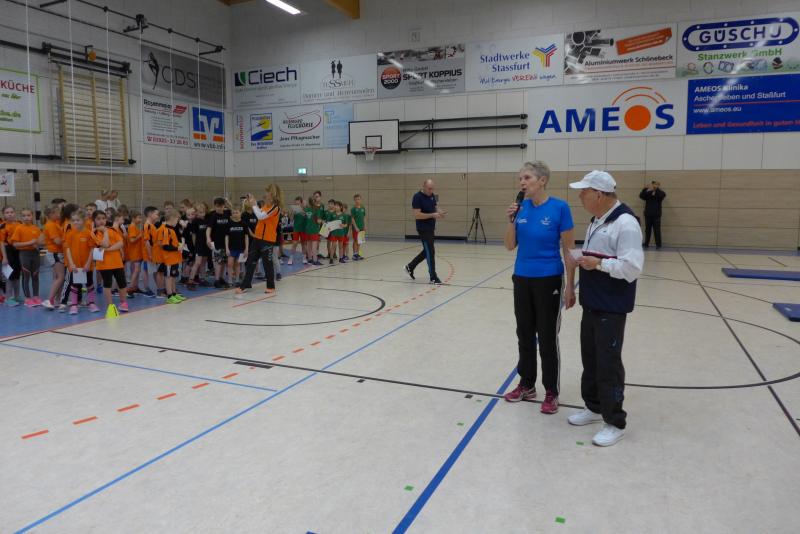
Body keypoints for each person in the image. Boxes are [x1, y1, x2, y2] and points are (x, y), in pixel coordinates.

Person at [567, 170, 644, 447]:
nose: (580, 196)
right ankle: (594, 407)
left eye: (584, 191)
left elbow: (632, 268)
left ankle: (614, 422)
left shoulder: (626, 223)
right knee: (590, 359)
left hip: (611, 306)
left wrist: (599, 264)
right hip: (592, 302)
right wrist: (585, 260)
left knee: (608, 364)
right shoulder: (596, 220)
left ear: (598, 194)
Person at [502, 161, 577, 414]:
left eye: (527, 177)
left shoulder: (559, 207)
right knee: (524, 333)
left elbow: (569, 250)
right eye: (520, 179)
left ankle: (551, 391)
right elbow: (509, 245)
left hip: (549, 280)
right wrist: (511, 220)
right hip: (522, 278)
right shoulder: (521, 208)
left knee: (546, 337)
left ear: (542, 180)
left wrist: (570, 286)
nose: (522, 182)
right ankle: (526, 384)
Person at [236, 184, 282, 294]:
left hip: (267, 240)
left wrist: (254, 205)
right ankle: (246, 284)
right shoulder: (265, 206)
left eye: (268, 192)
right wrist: (253, 202)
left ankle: (271, 286)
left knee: (267, 263)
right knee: (250, 261)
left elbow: (261, 216)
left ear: (272, 194)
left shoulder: (275, 208)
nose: (265, 194)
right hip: (257, 239)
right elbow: (259, 213)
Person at [405, 179, 446, 284]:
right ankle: (433, 277)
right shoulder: (417, 197)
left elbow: (435, 207)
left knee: (427, 251)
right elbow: (417, 215)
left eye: (432, 189)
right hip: (423, 228)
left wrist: (440, 212)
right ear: (423, 186)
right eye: (429, 189)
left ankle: (410, 266)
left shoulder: (432, 196)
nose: (431, 191)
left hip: (431, 227)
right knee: (430, 251)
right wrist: (432, 215)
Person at [92, 210, 129, 313]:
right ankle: (110, 305)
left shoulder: (112, 229)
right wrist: (105, 232)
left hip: (117, 262)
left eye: (103, 218)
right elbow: (105, 243)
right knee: (107, 284)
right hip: (104, 264)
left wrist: (107, 250)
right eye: (98, 219)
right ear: (94, 220)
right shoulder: (94, 233)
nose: (101, 221)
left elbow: (120, 243)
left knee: (122, 283)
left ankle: (123, 303)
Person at [64, 210, 98, 314]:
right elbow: (68, 249)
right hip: (75, 266)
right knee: (75, 285)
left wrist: (88, 263)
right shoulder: (70, 233)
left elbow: (92, 249)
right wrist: (71, 263)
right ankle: (74, 305)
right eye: (73, 220)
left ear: (83, 220)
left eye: (78, 220)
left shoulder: (88, 233)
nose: (75, 222)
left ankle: (91, 303)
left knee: (89, 283)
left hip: (86, 266)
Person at [11, 208, 44, 307]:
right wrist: (29, 243)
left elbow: (41, 242)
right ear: (21, 217)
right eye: (24, 216)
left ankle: (36, 296)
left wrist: (38, 244)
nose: (26, 217)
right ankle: (27, 298)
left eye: (28, 215)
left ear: (32, 216)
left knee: (35, 276)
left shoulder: (36, 229)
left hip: (35, 254)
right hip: (24, 254)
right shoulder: (19, 228)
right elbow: (15, 244)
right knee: (26, 277)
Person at [157, 208, 186, 304]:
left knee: (173, 276)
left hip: (174, 258)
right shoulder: (166, 230)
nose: (177, 222)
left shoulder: (171, 230)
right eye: (177, 220)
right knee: (168, 277)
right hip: (168, 259)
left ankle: (174, 293)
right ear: (172, 218)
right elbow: (165, 246)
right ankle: (169, 296)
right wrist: (177, 248)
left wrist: (179, 245)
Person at [42, 206, 66, 310]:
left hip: (57, 252)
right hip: (55, 253)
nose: (60, 215)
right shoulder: (50, 225)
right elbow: (57, 241)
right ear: (52, 214)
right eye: (58, 213)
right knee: (60, 277)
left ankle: (57, 299)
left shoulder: (55, 223)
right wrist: (68, 238)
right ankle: (49, 300)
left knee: (59, 277)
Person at [206, 197, 231, 288]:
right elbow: (209, 229)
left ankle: (221, 278)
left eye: (221, 206)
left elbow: (234, 209)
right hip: (217, 242)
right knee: (218, 262)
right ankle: (216, 280)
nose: (219, 208)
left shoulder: (227, 213)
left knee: (223, 261)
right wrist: (208, 238)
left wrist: (227, 202)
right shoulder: (213, 216)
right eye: (217, 206)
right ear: (214, 206)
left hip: (226, 242)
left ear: (224, 206)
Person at [0, 206, 22, 306]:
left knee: (17, 275)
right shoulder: (2, 226)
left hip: (18, 251)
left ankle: (17, 296)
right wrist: (4, 257)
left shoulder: (20, 224)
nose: (10, 214)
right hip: (8, 252)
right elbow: (1, 243)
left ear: (15, 213)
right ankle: (8, 298)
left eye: (11, 212)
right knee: (9, 276)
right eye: (7, 212)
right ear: (3, 215)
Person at [225, 208, 249, 285]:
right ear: (231, 214)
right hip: (231, 248)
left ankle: (237, 280)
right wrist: (227, 248)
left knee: (238, 264)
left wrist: (246, 248)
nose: (235, 214)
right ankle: (230, 280)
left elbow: (246, 237)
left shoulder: (243, 224)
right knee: (230, 264)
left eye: (237, 212)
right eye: (234, 213)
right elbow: (226, 237)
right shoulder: (229, 224)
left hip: (241, 247)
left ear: (240, 213)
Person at [639, 180, 666, 249]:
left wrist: (656, 189)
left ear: (658, 186)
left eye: (656, 184)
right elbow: (641, 196)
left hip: (656, 215)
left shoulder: (660, 193)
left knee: (657, 230)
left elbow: (662, 195)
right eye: (653, 184)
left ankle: (658, 244)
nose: (654, 186)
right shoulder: (648, 193)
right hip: (648, 214)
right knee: (647, 230)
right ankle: (646, 243)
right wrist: (645, 188)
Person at [351, 194, 366, 260]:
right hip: (356, 228)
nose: (357, 201)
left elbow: (364, 217)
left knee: (360, 241)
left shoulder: (363, 208)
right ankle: (354, 254)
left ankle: (358, 254)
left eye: (358, 199)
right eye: (356, 199)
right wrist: (356, 227)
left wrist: (364, 226)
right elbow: (352, 219)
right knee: (355, 240)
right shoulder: (353, 209)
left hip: (361, 227)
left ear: (361, 199)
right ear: (354, 200)